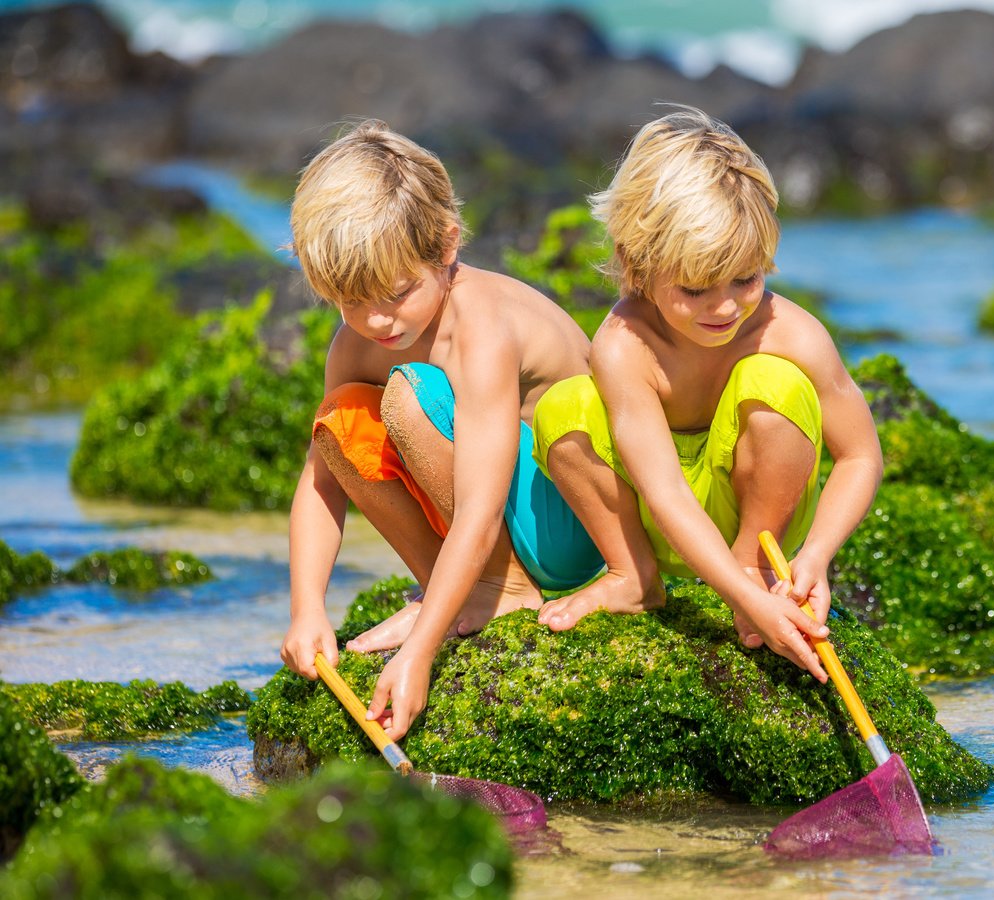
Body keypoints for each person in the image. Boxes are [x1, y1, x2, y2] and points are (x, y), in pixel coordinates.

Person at [279, 120, 661, 740]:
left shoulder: (481, 326)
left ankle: (498, 590)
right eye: (351, 300)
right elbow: (321, 484)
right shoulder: (357, 343)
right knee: (343, 418)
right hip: (496, 514)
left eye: (397, 292)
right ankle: (458, 586)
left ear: (447, 244)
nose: (376, 319)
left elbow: (481, 511)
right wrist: (307, 610)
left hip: (574, 519)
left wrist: (421, 652)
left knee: (408, 398)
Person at [531, 106, 883, 681]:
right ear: (637, 268)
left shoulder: (789, 332)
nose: (724, 308)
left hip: (763, 521)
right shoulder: (626, 346)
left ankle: (751, 566)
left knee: (775, 382)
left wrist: (816, 554)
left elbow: (862, 455)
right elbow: (665, 492)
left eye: (745, 279)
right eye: (694, 289)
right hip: (660, 517)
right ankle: (633, 576)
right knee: (563, 407)